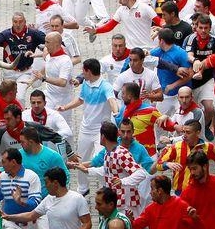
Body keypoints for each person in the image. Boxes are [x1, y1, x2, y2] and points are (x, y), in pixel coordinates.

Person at [57, 58, 118, 195]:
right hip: (85, 129)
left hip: (99, 131)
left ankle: (106, 188)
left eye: (83, 70)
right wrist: (65, 107)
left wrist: (116, 112)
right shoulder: (86, 83)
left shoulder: (105, 86)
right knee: (81, 159)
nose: (82, 73)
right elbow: (80, 100)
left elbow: (112, 100)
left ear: (88, 71)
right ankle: (82, 188)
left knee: (100, 160)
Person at [157, 119, 215, 193]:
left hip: (201, 192)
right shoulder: (175, 147)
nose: (184, 135)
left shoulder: (208, 147)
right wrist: (167, 164)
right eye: (183, 132)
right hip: (180, 192)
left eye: (188, 132)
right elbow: (158, 165)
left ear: (198, 133)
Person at [0, 12, 46, 105]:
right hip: (9, 72)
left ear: (25, 22)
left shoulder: (33, 33)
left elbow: (50, 41)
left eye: (20, 22)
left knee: (20, 97)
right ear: (12, 22)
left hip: (25, 72)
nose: (18, 24)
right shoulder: (5, 35)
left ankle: (21, 117)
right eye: (15, 22)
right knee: (6, 98)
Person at [84, 0, 162, 49]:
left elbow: (160, 22)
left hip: (147, 48)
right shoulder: (121, 10)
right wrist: (95, 31)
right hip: (131, 49)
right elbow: (110, 26)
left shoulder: (145, 8)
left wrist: (161, 30)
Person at [115, 82, 176, 157]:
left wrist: (166, 117)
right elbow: (117, 129)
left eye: (123, 93)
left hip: (148, 156)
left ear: (130, 96)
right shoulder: (123, 110)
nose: (122, 96)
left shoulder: (150, 111)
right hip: (128, 156)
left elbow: (170, 126)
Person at [185, 14, 215, 139]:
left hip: (207, 79)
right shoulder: (191, 39)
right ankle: (190, 133)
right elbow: (188, 55)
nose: (203, 31)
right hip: (191, 80)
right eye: (201, 27)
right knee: (190, 111)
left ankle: (203, 128)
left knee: (210, 107)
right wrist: (194, 60)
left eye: (206, 28)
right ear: (196, 28)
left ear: (210, 28)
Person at [32, 32, 74, 125]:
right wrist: (31, 81)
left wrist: (44, 78)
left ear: (56, 44)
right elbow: (46, 68)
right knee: (47, 123)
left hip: (63, 99)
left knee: (63, 125)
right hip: (49, 97)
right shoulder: (48, 56)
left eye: (47, 42)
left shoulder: (65, 61)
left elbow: (62, 82)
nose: (45, 45)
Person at [150, 28, 193, 116]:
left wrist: (172, 86)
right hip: (165, 94)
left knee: (182, 119)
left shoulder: (180, 53)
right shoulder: (159, 51)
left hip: (180, 94)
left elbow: (190, 74)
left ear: (161, 41)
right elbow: (147, 56)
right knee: (159, 120)